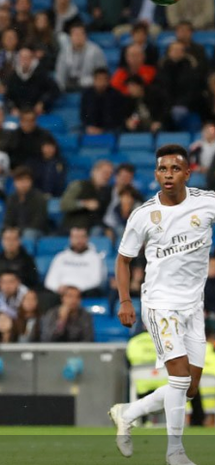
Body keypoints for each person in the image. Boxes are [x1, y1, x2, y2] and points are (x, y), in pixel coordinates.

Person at [110, 144, 211, 465]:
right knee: (179, 380)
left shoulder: (207, 204)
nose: (168, 175)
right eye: (163, 170)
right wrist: (125, 300)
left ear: (187, 173)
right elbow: (123, 260)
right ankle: (175, 453)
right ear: (156, 174)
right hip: (160, 304)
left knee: (191, 387)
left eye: (175, 169)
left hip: (194, 306)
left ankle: (130, 412)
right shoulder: (143, 215)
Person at [44, 226, 107, 297]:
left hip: (84, 293)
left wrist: (75, 290)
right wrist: (59, 288)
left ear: (87, 238)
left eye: (82, 237)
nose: (79, 240)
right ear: (70, 239)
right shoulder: (60, 257)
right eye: (76, 237)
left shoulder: (95, 258)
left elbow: (97, 281)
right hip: (61, 293)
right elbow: (49, 281)